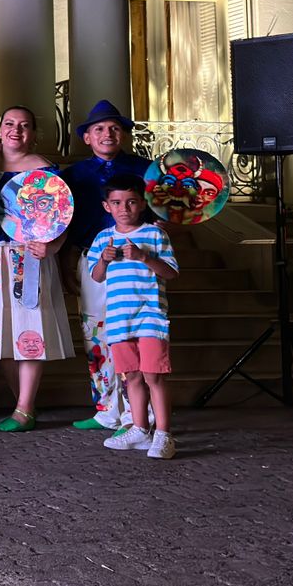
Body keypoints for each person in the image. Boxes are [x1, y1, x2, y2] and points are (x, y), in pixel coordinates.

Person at [0, 107, 73, 433]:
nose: (17, 130)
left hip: (25, 256)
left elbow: (63, 217)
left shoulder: (44, 169)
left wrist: (53, 247)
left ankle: (25, 407)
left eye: (25, 126)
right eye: (10, 124)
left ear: (34, 134)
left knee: (30, 329)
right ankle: (21, 402)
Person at [61, 99, 153, 432]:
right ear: (87, 137)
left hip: (136, 260)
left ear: (124, 134)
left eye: (114, 128)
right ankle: (105, 408)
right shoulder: (73, 175)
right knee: (95, 332)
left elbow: (164, 213)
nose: (107, 134)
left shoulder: (146, 170)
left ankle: (138, 412)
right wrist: (68, 259)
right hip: (93, 259)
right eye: (98, 129)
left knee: (134, 332)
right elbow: (66, 223)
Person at [87, 175, 180, 460]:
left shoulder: (154, 234)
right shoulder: (103, 238)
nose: (124, 208)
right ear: (107, 206)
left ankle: (164, 434)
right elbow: (96, 277)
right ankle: (140, 429)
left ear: (141, 204)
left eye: (130, 202)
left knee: (154, 374)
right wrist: (103, 259)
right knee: (132, 376)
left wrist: (143, 257)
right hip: (119, 318)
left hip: (150, 316)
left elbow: (171, 273)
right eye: (116, 203)